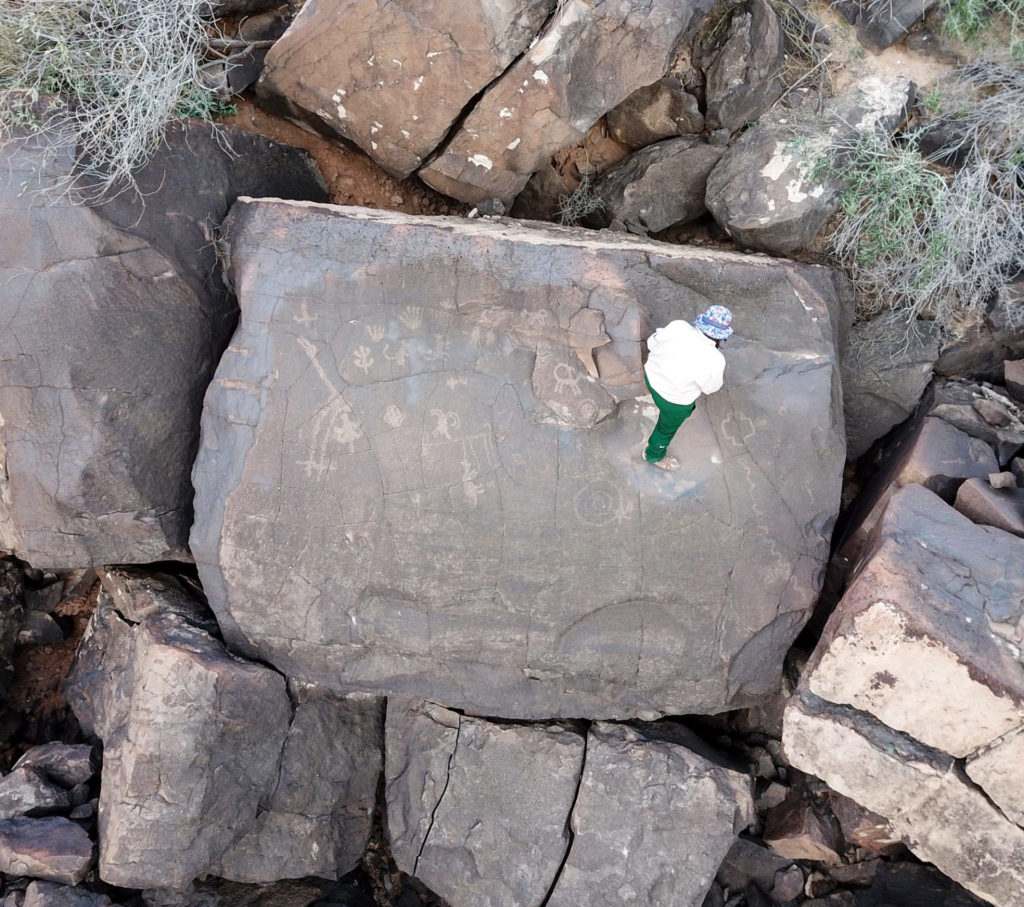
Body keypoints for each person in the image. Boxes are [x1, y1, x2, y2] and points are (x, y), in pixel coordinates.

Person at [641, 305, 733, 471]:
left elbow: (651, 342)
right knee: (665, 430)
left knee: (668, 409)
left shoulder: (679, 326)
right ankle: (653, 455)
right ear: (721, 336)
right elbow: (710, 388)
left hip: (650, 376)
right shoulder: (715, 360)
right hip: (674, 402)